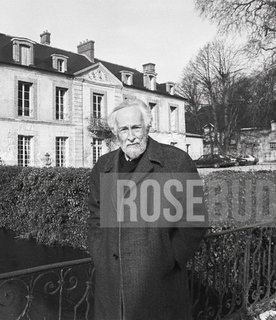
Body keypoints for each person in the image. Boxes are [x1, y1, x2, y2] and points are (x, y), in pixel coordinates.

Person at [87, 98, 207, 320]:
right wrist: (99, 255)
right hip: (112, 284)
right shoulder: (103, 166)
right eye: (123, 129)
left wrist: (169, 259)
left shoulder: (176, 162)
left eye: (136, 127)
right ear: (116, 132)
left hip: (159, 284)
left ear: (147, 126)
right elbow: (95, 216)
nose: (131, 135)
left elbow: (195, 219)